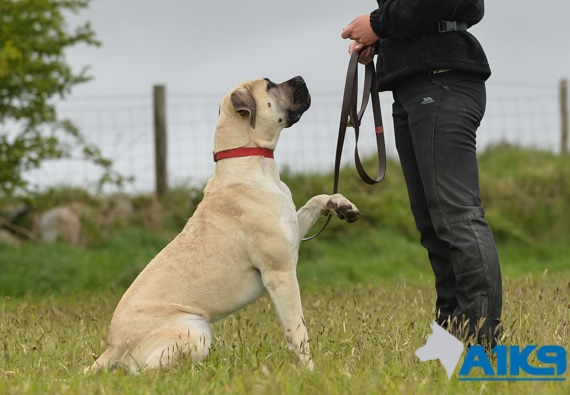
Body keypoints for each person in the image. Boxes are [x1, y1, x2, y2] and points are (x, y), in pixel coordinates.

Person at [341, 0, 502, 347]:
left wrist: (378, 23)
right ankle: (450, 339)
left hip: (441, 83)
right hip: (417, 83)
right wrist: (382, 39)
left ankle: (484, 344)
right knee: (433, 225)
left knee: (457, 219)